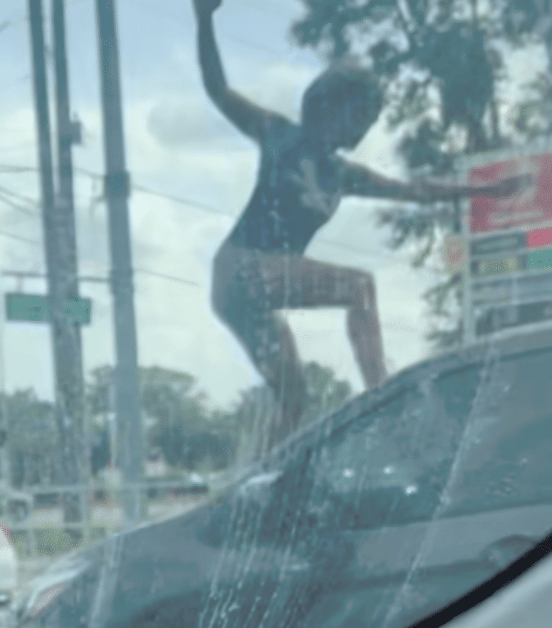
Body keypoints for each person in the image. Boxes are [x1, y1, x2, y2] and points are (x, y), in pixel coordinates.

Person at [193, 0, 527, 447]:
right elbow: (218, 90)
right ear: (329, 103)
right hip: (240, 268)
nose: (362, 127)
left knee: (294, 397)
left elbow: (415, 190)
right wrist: (204, 21)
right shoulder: (279, 134)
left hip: (252, 292)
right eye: (359, 114)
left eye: (368, 120)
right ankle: (382, 397)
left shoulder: (342, 174)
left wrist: (483, 190)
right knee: (359, 287)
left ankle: (263, 476)